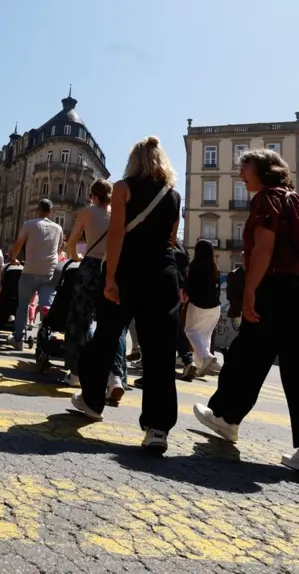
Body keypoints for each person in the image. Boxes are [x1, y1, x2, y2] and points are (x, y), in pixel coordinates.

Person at [193, 149, 299, 473]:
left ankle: (226, 416)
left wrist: (249, 291)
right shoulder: (293, 199)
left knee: (249, 351)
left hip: (279, 287)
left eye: (244, 170)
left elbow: (264, 247)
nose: (241, 176)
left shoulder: (266, 199)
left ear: (261, 170)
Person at [70, 137, 182, 453]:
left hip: (129, 270)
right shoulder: (173, 196)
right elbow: (171, 240)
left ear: (135, 160)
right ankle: (157, 429)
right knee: (160, 351)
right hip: (163, 273)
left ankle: (92, 401)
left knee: (106, 335)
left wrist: (111, 278)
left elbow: (117, 233)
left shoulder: (123, 188)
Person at [64, 179, 113, 390]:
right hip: (110, 268)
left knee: (79, 320)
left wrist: (76, 256)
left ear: (93, 196)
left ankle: (76, 373)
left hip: (90, 266)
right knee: (109, 324)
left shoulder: (87, 212)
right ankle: (112, 377)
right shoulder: (117, 215)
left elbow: (71, 242)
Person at [9, 200, 63, 351]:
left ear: (38, 210)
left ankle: (18, 339)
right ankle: (45, 340)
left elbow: (19, 243)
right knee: (46, 307)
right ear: (51, 212)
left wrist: (13, 258)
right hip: (49, 272)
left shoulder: (29, 224)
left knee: (23, 305)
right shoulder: (58, 228)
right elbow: (59, 249)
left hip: (30, 269)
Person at [183, 240, 223, 378]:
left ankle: (207, 357)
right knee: (205, 337)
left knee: (191, 331)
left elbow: (189, 286)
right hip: (215, 308)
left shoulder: (194, 266)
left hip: (199, 305)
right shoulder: (214, 267)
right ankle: (202, 366)